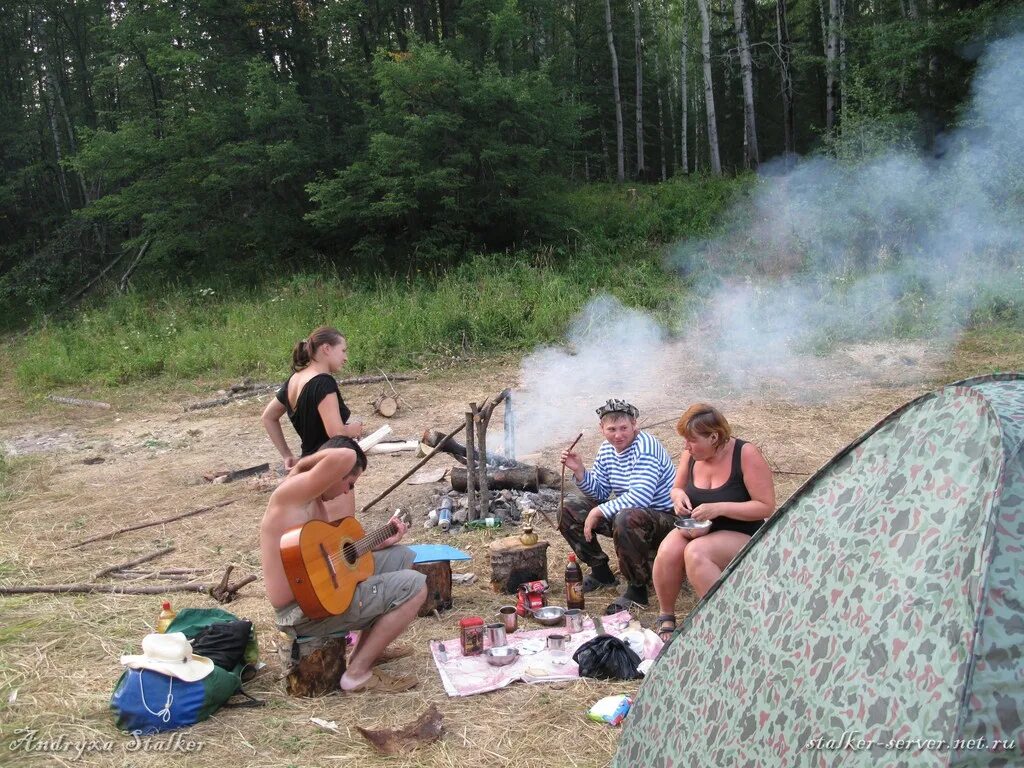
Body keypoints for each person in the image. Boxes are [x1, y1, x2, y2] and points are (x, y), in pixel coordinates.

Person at [260, 436, 427, 693]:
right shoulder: (290, 494)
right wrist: (302, 465)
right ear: (334, 473)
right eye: (349, 483)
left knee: (401, 555)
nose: (348, 491)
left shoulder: (312, 500)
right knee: (416, 585)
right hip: (302, 612)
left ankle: (367, 648)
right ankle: (357, 674)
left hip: (321, 591)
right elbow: (346, 456)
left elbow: (329, 559)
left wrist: (379, 543)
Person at [651, 404, 775, 641]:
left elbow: (766, 506)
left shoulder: (745, 454)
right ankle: (666, 615)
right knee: (668, 551)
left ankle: (725, 623)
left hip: (741, 531)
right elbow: (676, 488)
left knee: (696, 553)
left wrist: (719, 508)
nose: (686, 446)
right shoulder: (692, 455)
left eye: (692, 440)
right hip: (698, 527)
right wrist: (678, 499)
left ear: (714, 437)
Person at [559, 399, 678, 613]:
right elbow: (601, 492)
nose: (618, 435)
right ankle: (601, 572)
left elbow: (641, 497)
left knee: (626, 517)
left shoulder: (646, 447)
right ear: (602, 429)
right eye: (611, 429)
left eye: (624, 428)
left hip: (665, 518)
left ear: (634, 424)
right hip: (633, 513)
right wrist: (580, 472)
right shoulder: (607, 449)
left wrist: (598, 511)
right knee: (568, 507)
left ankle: (637, 589)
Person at [262, 327, 364, 513]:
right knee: (341, 533)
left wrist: (287, 455)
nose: (346, 357)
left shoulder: (295, 379)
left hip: (308, 465)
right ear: (326, 348)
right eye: (343, 350)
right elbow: (336, 432)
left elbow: (268, 417)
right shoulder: (323, 382)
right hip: (331, 469)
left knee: (317, 531)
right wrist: (353, 429)